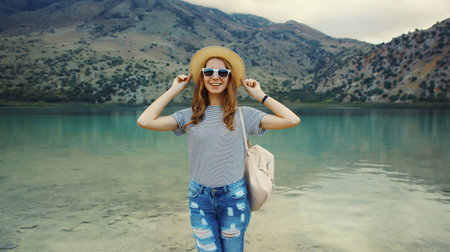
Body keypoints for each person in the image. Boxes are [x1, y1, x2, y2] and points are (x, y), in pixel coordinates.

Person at [137, 46, 300, 252]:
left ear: (229, 79)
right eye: (208, 72)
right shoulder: (188, 116)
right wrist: (174, 89)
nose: (215, 77)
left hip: (233, 196)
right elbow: (145, 120)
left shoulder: (245, 115)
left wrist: (260, 95)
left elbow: (292, 119)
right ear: (202, 78)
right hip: (199, 198)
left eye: (222, 72)